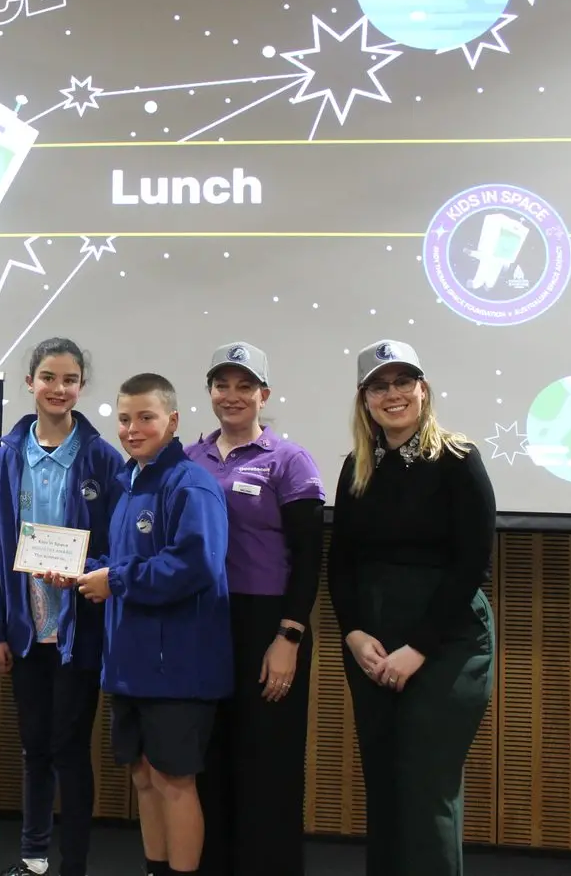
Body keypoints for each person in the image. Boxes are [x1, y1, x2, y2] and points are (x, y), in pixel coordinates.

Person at [326, 340, 496, 876]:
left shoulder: (458, 459)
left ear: (423, 389)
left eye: (404, 381)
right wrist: (354, 633)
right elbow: (341, 562)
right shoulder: (357, 467)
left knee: (426, 788)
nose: (392, 394)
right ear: (365, 399)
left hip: (447, 642)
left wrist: (418, 648)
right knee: (385, 785)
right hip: (373, 644)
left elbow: (472, 564)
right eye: (379, 386)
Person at [0, 337, 124, 876]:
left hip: (79, 630)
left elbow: (119, 545)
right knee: (35, 748)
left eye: (70, 380)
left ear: (82, 386)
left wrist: (86, 569)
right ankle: (33, 859)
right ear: (30, 382)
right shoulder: (7, 458)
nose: (59, 388)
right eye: (49, 378)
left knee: (70, 750)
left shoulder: (103, 459)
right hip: (25, 631)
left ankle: (73, 864)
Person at [75, 373, 231, 876]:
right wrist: (82, 570)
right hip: (129, 664)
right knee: (143, 777)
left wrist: (115, 580)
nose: (132, 429)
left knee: (173, 781)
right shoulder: (127, 484)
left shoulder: (192, 485)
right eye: (124, 419)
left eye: (146, 418)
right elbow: (124, 562)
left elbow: (194, 566)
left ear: (173, 420)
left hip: (178, 669)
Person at [185, 343, 325, 876]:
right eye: (222, 385)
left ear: (264, 395)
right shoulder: (190, 458)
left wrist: (289, 636)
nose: (232, 396)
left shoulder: (289, 460)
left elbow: (309, 557)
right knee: (210, 757)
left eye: (245, 386)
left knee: (267, 762)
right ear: (210, 392)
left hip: (268, 625)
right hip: (205, 624)